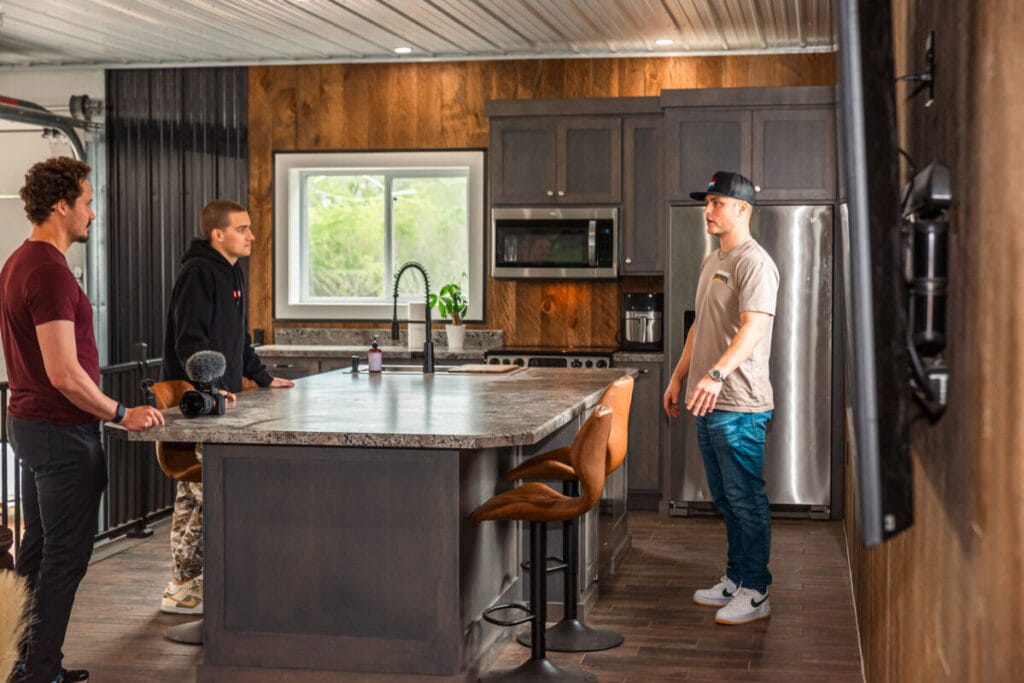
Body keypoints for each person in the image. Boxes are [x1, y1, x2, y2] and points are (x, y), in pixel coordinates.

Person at [0, 157, 165, 683]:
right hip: (59, 434)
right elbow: (65, 374)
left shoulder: (18, 262)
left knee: (40, 548)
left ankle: (23, 659)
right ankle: (38, 669)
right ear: (61, 206)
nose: (93, 213)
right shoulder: (47, 271)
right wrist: (121, 412)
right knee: (65, 557)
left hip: (31, 426)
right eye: (87, 202)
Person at [159, 199, 293, 615]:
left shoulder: (230, 270)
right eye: (243, 229)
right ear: (218, 234)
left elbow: (237, 340)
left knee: (194, 493)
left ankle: (182, 585)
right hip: (199, 404)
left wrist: (265, 378)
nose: (252, 235)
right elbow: (190, 340)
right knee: (206, 490)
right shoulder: (198, 272)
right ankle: (184, 585)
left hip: (219, 400)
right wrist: (211, 387)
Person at [662, 170, 779, 626]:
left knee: (746, 498)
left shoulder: (755, 263)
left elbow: (754, 327)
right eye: (706, 203)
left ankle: (756, 590)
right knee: (726, 499)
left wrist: (715, 374)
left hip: (741, 404)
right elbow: (699, 325)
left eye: (716, 203)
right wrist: (679, 378)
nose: (707, 211)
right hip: (708, 401)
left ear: (742, 209)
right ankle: (735, 577)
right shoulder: (713, 261)